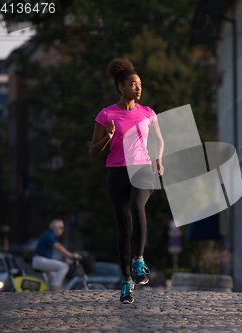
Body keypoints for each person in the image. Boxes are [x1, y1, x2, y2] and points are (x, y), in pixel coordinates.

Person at [89, 58, 164, 304]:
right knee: (124, 230)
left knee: (136, 206)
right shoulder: (107, 114)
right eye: (133, 84)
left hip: (142, 168)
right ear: (121, 87)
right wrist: (107, 138)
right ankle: (125, 282)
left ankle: (139, 260)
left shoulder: (148, 113)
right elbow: (92, 151)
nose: (138, 88)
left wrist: (159, 159)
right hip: (117, 173)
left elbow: (159, 140)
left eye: (140, 84)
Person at [32, 219, 82, 291]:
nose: (63, 229)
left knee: (57, 281)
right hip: (40, 260)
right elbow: (58, 247)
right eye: (61, 228)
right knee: (64, 266)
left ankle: (53, 294)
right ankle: (53, 288)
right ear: (55, 228)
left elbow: (58, 250)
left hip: (42, 260)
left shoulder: (51, 236)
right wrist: (71, 256)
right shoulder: (49, 235)